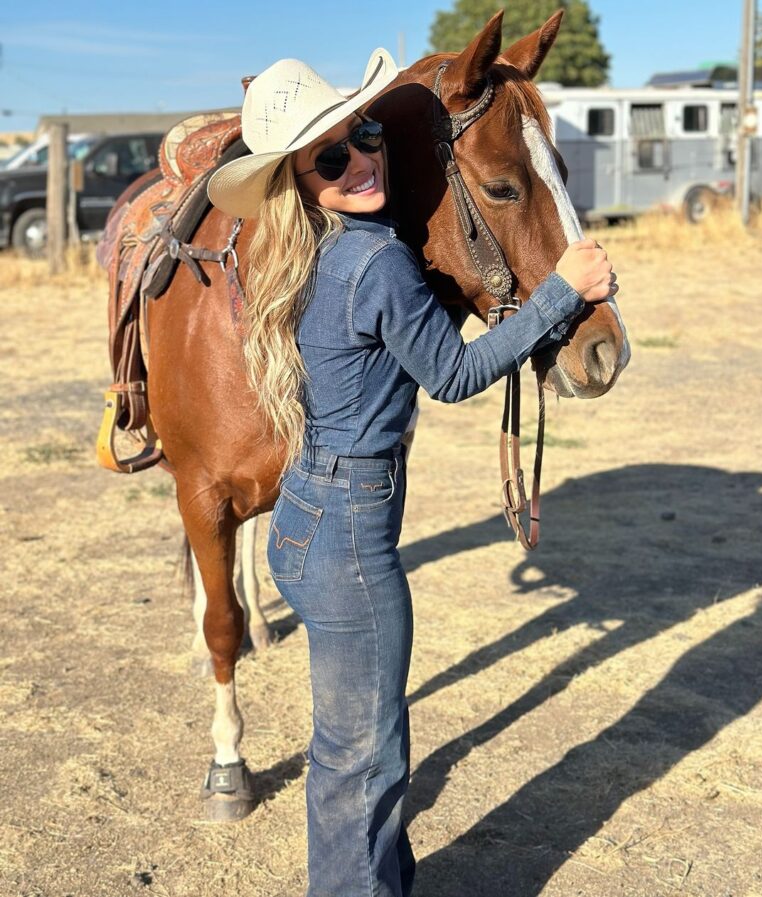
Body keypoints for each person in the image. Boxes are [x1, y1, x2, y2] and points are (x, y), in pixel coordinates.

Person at [208, 48, 617, 897]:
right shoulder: (379, 262)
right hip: (355, 537)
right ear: (300, 181)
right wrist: (562, 292)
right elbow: (455, 374)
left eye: (363, 135)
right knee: (367, 756)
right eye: (332, 157)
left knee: (348, 750)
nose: (360, 160)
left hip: (306, 522)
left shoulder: (312, 253)